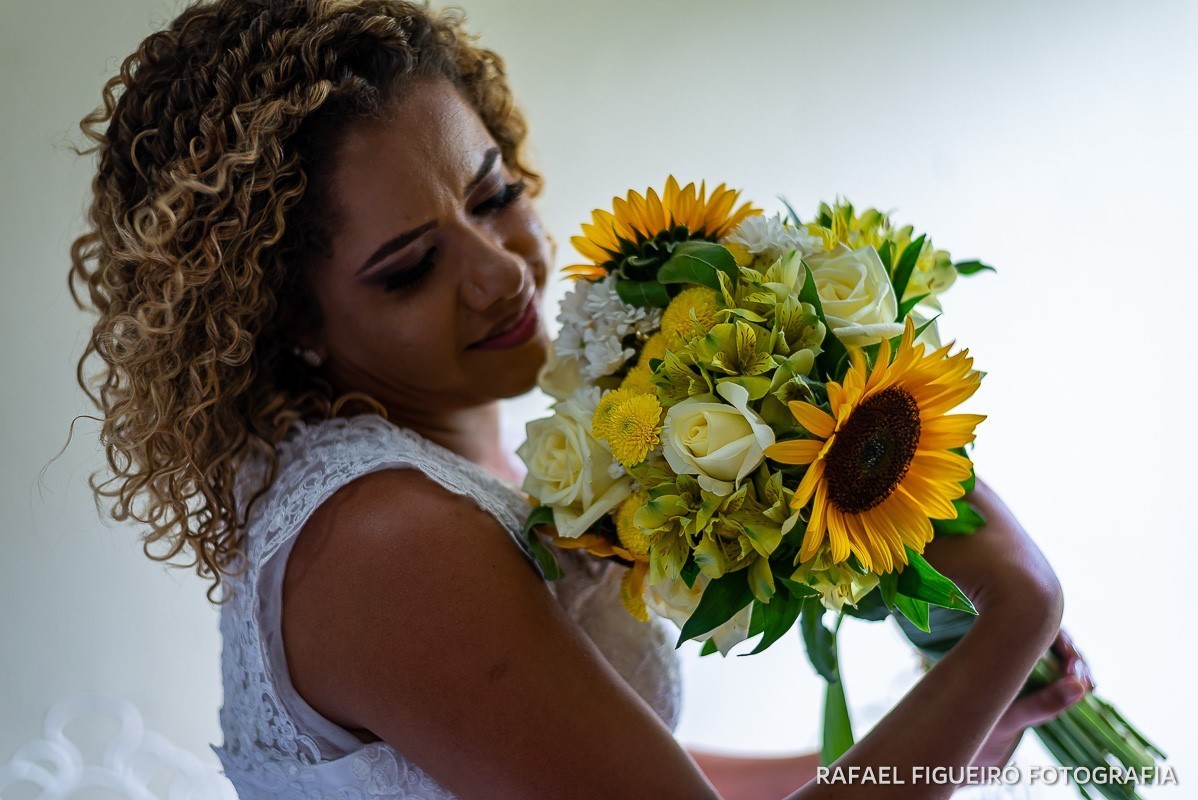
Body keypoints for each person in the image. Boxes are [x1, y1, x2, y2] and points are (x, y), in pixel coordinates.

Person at [68, 1, 1095, 798]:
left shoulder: (443, 470)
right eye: (410, 267)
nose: (501, 273)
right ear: (286, 321)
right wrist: (1016, 609)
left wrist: (958, 730)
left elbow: (620, 774)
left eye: (493, 194)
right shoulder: (388, 533)